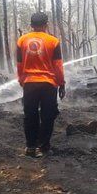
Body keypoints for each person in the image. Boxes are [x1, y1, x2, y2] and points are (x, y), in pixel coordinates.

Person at [16, 12, 66, 158]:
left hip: (29, 83)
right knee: (48, 115)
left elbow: (19, 64)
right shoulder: (53, 41)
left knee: (30, 115)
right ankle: (43, 146)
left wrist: (21, 79)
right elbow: (58, 66)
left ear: (31, 25)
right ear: (46, 24)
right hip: (48, 84)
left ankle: (30, 147)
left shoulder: (22, 40)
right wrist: (61, 83)